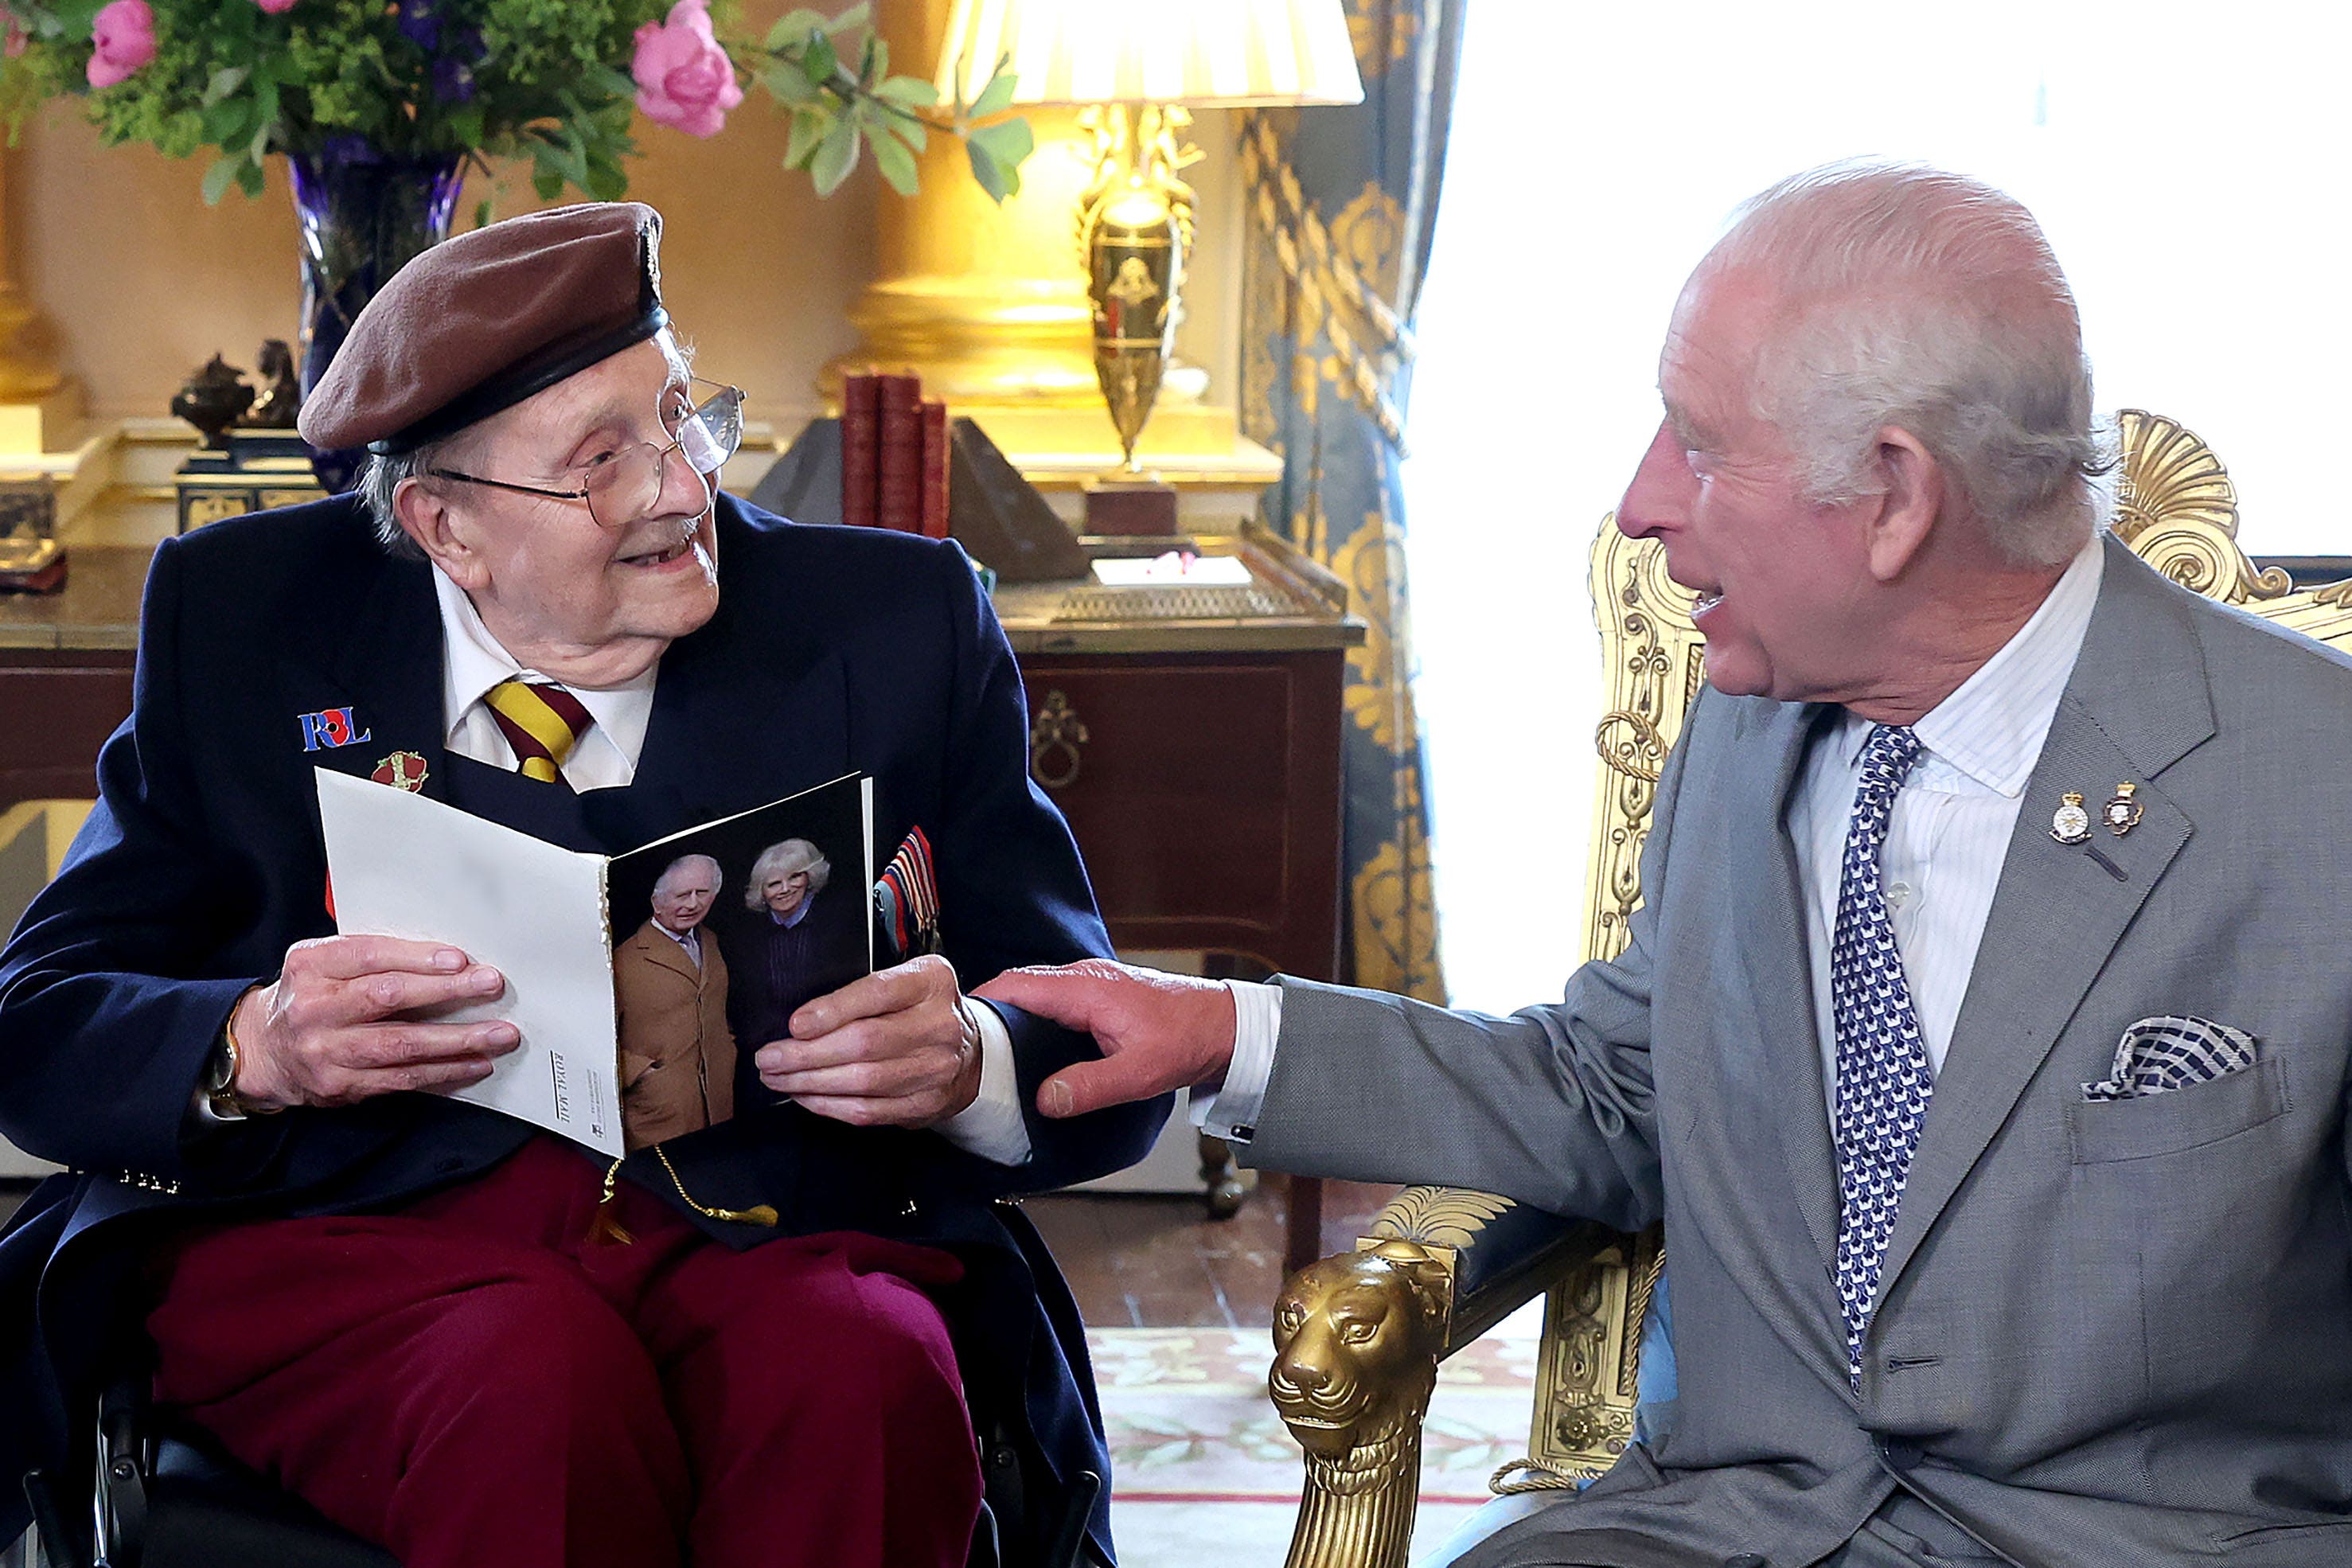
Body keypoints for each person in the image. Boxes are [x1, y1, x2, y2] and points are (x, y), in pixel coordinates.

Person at [979, 162, 2352, 1568]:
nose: (1641, 507)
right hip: (1729, 1527)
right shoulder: (1753, 728)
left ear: (1892, 495)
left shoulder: (2319, 792)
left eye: (1696, 445)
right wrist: (1222, 1031)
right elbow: (1623, 1086)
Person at [0, 202, 1167, 1568]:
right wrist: (252, 1045)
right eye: (601, 464)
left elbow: (1089, 1035)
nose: (681, 490)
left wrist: (969, 1060)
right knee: (527, 1385)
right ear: (445, 524)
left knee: (869, 1373)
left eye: (683, 419)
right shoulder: (246, 617)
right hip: (352, 1233)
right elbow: (42, 1018)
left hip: (774, 1228)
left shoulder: (896, 621)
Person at [613, 852, 735, 1148]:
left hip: (719, 1106)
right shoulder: (623, 960)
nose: (693, 904)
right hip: (659, 1115)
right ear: (657, 901)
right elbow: (593, 1041)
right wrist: (642, 1074)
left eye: (702, 893)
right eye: (682, 894)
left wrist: (728, 1045)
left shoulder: (711, 941)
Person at [731, 837, 864, 1062]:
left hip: (834, 1046)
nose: (785, 889)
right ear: (761, 892)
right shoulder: (746, 939)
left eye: (795, 877)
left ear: (810, 877)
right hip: (769, 1053)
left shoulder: (841, 921)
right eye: (773, 884)